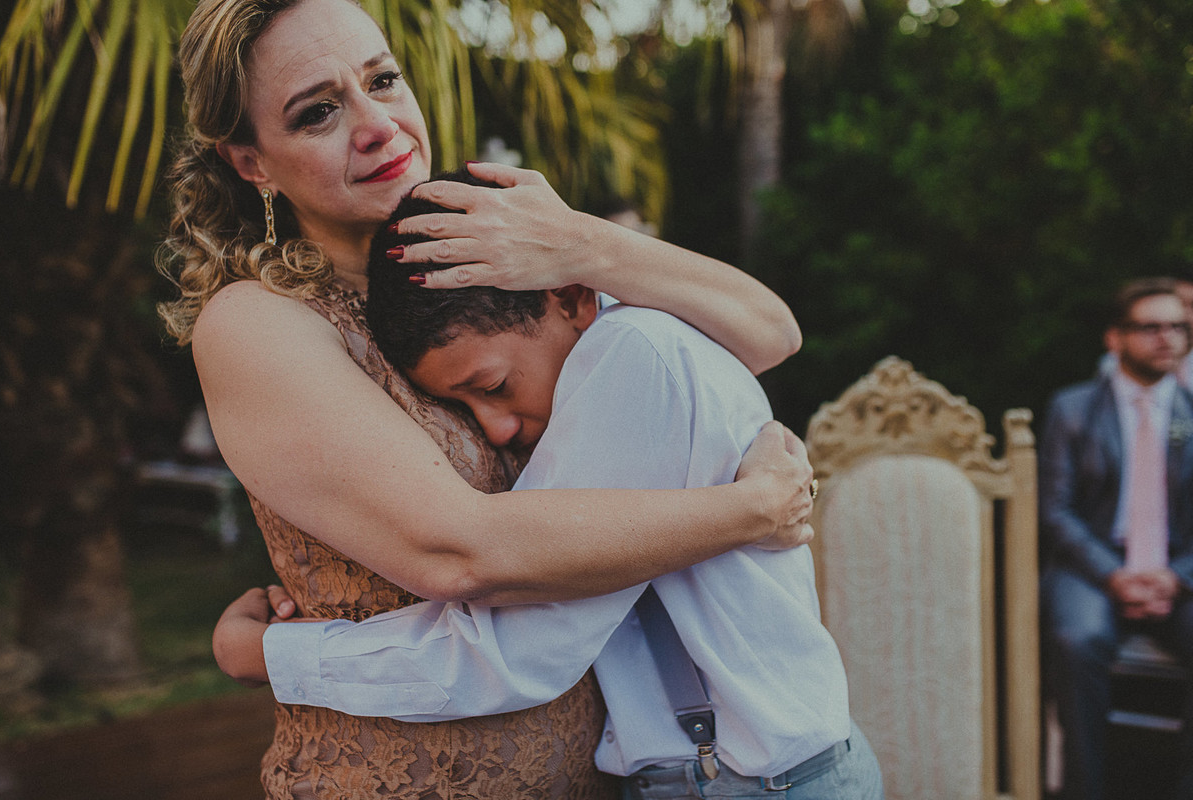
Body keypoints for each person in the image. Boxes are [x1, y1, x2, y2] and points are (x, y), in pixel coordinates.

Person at [165, 0, 816, 797]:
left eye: (383, 80)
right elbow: (460, 552)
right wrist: (752, 511)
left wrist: (582, 242)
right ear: (251, 163)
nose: (378, 126)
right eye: (319, 112)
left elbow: (767, 335)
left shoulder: (494, 261)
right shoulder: (259, 322)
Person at [215, 171, 884, 799]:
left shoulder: (632, 360)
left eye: (493, 387)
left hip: (749, 784)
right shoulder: (644, 333)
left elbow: (514, 654)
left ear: (568, 298)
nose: (497, 428)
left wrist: (275, 656)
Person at [1039, 278, 1193, 800]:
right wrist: (1115, 574)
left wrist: (1175, 577)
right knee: (1078, 639)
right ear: (1115, 338)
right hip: (1094, 566)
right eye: (1150, 327)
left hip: (1176, 570)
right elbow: (1055, 511)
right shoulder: (1073, 408)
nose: (1167, 338)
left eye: (1178, 327)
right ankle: (1084, 789)